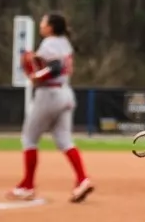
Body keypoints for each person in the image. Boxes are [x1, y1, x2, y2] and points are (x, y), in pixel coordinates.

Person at [9, 12, 93, 203]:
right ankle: (82, 179)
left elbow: (54, 67)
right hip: (65, 93)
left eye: (44, 23)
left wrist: (38, 76)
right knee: (64, 140)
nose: (41, 25)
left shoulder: (50, 43)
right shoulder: (64, 42)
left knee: (29, 139)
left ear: (51, 27)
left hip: (49, 94)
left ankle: (28, 186)